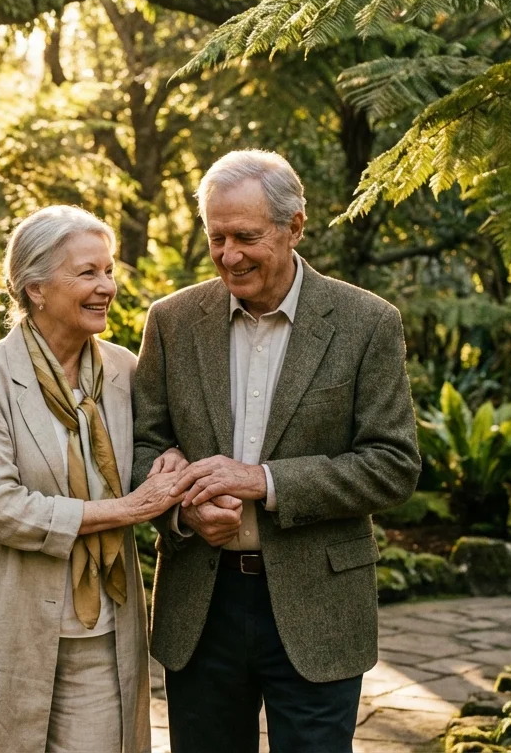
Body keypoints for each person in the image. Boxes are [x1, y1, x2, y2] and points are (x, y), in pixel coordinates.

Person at [133, 150, 422, 752]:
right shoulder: (171, 321)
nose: (229, 255)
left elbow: (393, 466)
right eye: (217, 237)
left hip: (321, 606)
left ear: (294, 227)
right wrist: (182, 511)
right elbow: (141, 447)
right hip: (200, 608)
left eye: (246, 236)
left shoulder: (367, 322)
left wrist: (262, 481)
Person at [0, 205, 184, 753]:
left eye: (108, 271)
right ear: (36, 288)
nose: (106, 287)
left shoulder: (123, 373)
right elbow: (1, 507)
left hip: (102, 629)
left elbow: (155, 451)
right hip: (1, 628)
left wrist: (172, 462)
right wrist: (130, 509)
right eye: (87, 273)